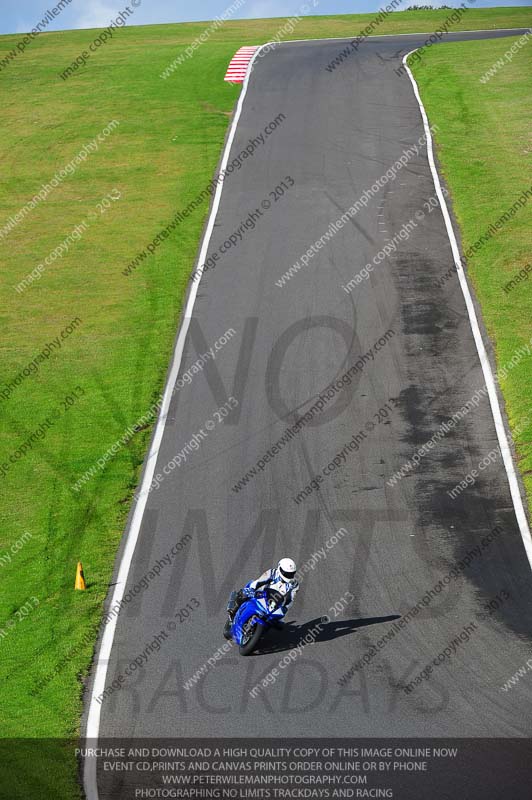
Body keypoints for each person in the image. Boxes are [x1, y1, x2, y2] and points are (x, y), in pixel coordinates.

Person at [227, 558, 299, 622]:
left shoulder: (294, 585)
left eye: (291, 574)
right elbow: (259, 582)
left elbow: (290, 600)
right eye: (286, 573)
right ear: (280, 568)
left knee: (278, 624)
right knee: (243, 594)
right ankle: (233, 611)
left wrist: (285, 608)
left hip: (275, 603)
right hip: (261, 594)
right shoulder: (272, 573)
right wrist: (251, 589)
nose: (289, 576)